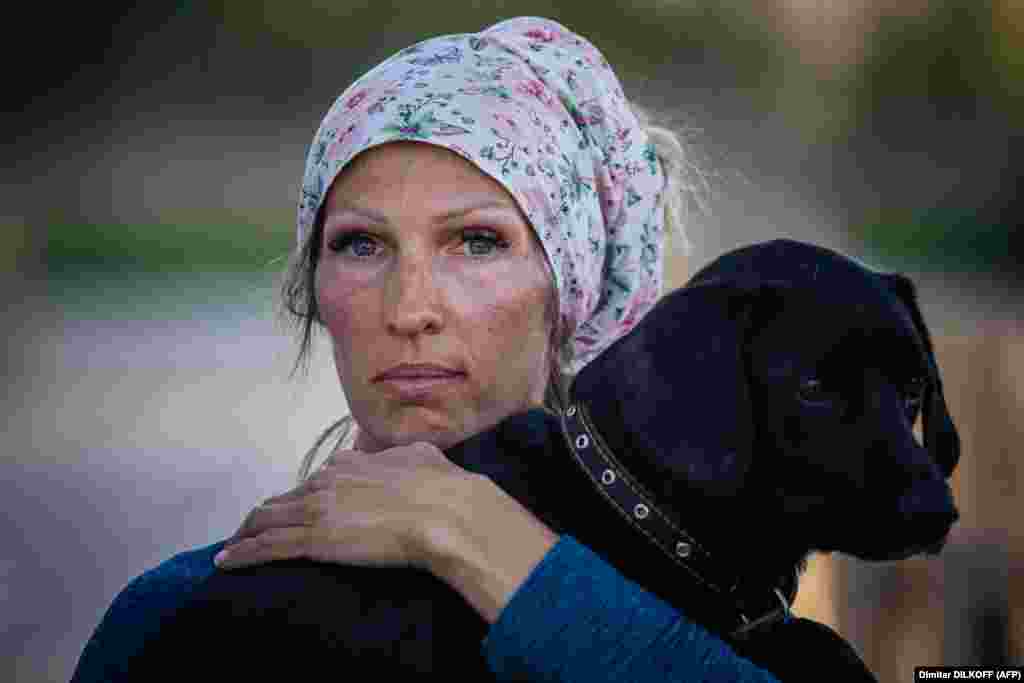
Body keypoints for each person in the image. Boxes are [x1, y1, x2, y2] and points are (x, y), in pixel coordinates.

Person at [73, 16, 809, 682]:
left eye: (477, 241)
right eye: (361, 244)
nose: (411, 308)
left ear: (566, 291)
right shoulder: (175, 622)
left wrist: (471, 533)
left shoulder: (701, 623)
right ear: (317, 292)